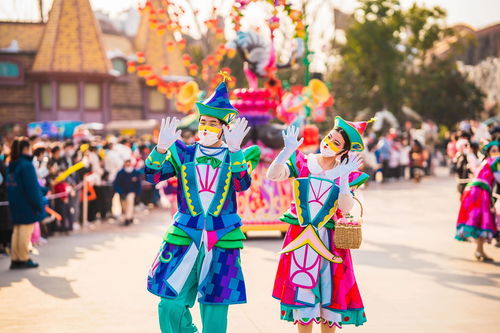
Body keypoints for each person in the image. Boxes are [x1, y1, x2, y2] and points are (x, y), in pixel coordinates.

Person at [144, 77, 260, 333]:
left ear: (224, 127)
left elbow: (242, 185)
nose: (205, 128)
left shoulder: (236, 155)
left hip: (222, 237)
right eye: (203, 122)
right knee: (169, 305)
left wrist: (236, 150)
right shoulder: (183, 153)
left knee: (215, 312)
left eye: (212, 123)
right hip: (185, 234)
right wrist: (160, 149)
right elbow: (152, 176)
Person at [267, 116, 371, 332]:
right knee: (303, 297)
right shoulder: (303, 162)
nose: (328, 143)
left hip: (330, 242)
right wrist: (285, 152)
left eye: (336, 143)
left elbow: (346, 206)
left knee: (329, 298)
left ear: (344, 151)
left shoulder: (346, 172)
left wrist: (342, 179)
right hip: (300, 239)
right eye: (329, 137)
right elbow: (274, 175)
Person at [6, 137, 47, 269]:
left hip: (15, 202)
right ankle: (23, 258)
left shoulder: (13, 164)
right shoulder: (26, 165)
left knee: (17, 231)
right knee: (24, 231)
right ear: (25, 149)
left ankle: (16, 258)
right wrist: (38, 204)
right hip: (26, 203)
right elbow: (32, 187)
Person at [455, 141, 499, 261]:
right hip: (480, 193)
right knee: (482, 220)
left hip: (472, 191)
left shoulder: (485, 162)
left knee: (480, 221)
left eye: (497, 150)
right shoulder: (495, 162)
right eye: (493, 151)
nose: (496, 153)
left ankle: (479, 250)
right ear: (489, 153)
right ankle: (479, 251)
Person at [113, 159, 142, 226]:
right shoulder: (120, 173)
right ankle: (129, 216)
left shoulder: (135, 172)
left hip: (131, 191)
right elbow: (116, 184)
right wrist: (120, 192)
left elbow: (138, 184)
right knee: (124, 205)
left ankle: (128, 218)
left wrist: (138, 193)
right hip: (122, 192)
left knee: (130, 202)